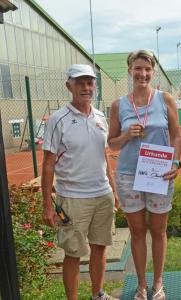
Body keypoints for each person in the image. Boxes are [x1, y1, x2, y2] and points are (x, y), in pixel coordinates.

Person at [107, 50, 181, 300]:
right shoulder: (119, 105)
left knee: (158, 231)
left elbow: (176, 135)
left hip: (159, 173)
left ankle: (158, 283)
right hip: (129, 175)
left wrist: (176, 162)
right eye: (138, 68)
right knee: (137, 232)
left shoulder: (165, 99)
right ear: (130, 70)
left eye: (147, 69)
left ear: (153, 72)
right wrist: (127, 135)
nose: (142, 73)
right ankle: (140, 284)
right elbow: (113, 143)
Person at [42, 64, 119, 300]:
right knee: (73, 254)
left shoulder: (100, 117)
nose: (86, 87)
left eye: (90, 82)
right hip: (72, 198)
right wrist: (47, 204)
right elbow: (48, 163)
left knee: (100, 247)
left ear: (95, 85)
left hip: (102, 195)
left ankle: (98, 294)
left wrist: (113, 190)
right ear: (69, 86)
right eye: (80, 82)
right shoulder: (58, 119)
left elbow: (104, 155)